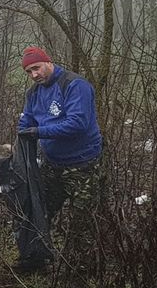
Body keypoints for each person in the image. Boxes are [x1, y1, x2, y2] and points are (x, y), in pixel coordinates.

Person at [16, 46, 105, 271]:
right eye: (28, 72)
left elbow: (77, 123)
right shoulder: (34, 93)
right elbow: (27, 120)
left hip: (82, 165)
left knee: (81, 221)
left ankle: (81, 272)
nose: (34, 75)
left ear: (48, 62)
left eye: (36, 68)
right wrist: (24, 132)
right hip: (51, 164)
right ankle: (36, 261)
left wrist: (39, 132)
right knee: (38, 212)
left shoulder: (74, 85)